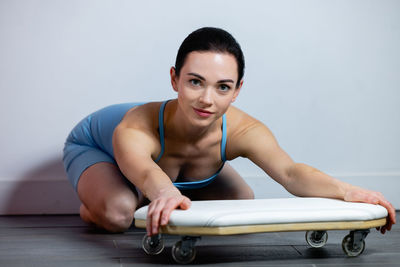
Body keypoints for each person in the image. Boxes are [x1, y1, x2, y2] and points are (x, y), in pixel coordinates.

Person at [63, 27, 396, 237]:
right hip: (97, 147)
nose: (207, 99)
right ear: (174, 79)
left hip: (168, 165)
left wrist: (348, 191)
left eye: (222, 87)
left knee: (240, 201)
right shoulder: (136, 127)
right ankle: (95, 202)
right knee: (120, 212)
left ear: (236, 91)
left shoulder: (244, 129)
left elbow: (291, 173)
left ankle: (174, 187)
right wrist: (163, 194)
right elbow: (149, 174)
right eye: (195, 82)